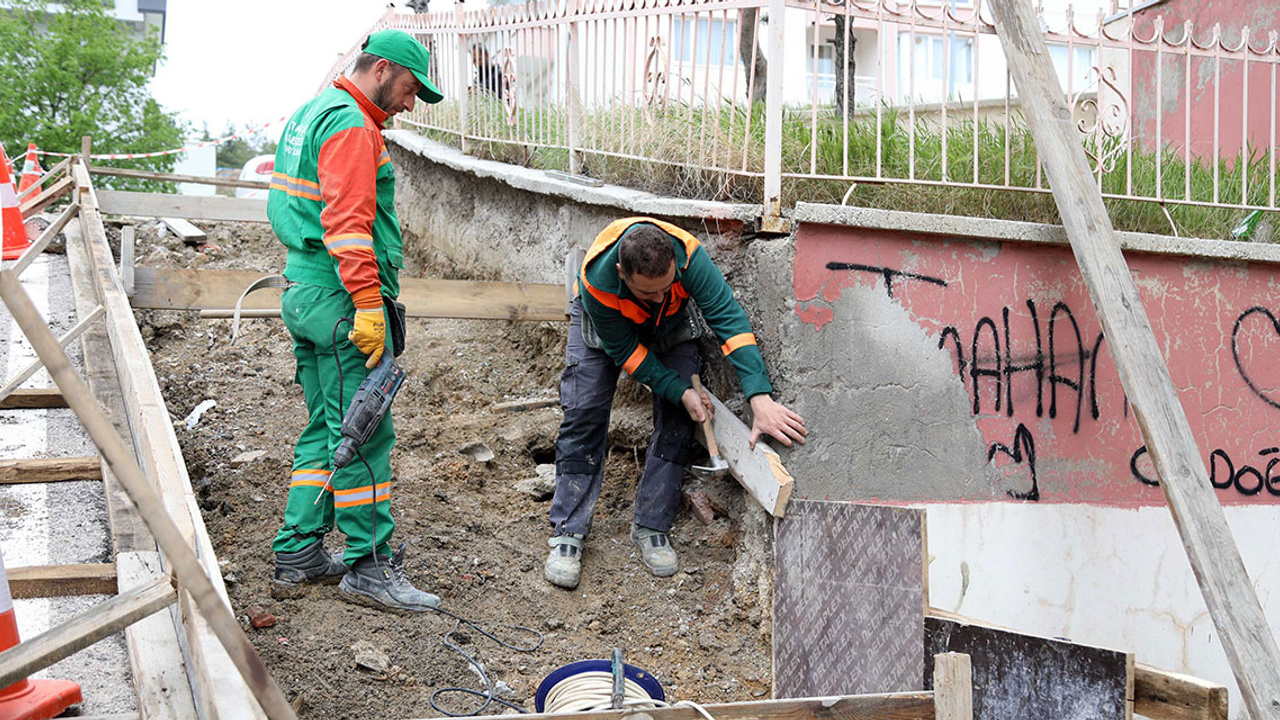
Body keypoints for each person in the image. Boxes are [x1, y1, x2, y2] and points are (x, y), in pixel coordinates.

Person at [266, 29, 445, 613]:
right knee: (366, 431)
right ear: (384, 69)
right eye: (411, 87)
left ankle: (299, 550)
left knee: (328, 425)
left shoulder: (312, 112)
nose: (410, 103)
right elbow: (347, 226)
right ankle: (369, 566)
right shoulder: (351, 125)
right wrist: (369, 304)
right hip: (344, 299)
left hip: (305, 289)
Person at [545, 218, 807, 589]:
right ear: (623, 273)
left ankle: (651, 525)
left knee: (679, 417)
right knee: (584, 411)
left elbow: (729, 320)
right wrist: (679, 388)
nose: (655, 297)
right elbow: (627, 354)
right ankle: (568, 532)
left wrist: (758, 396)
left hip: (672, 323)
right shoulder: (599, 281)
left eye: (664, 287)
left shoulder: (689, 259)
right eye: (646, 292)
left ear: (675, 268)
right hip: (606, 328)